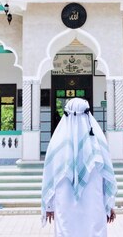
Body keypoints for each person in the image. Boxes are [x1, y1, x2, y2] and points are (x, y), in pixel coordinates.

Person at [42, 98, 117, 236]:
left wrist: (49, 206)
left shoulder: (57, 143)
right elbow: (107, 177)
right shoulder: (98, 142)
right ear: (88, 114)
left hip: (66, 210)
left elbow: (50, 178)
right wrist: (109, 205)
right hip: (93, 210)